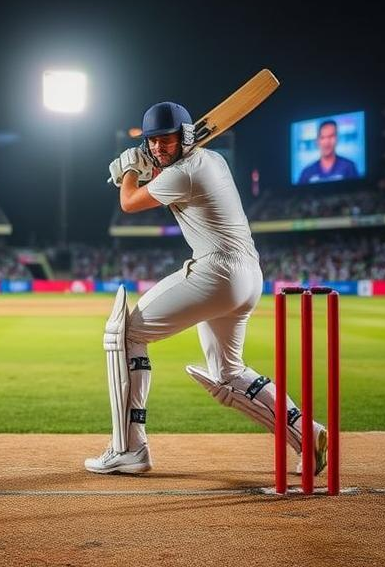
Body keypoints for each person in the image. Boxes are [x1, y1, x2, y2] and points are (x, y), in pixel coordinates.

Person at [85, 101, 327, 475]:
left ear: (184, 137)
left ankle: (130, 448)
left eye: (165, 141)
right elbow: (169, 175)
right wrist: (153, 165)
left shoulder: (183, 174)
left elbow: (129, 202)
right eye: (151, 142)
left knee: (125, 332)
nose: (157, 149)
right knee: (229, 374)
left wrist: (130, 170)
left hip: (217, 272)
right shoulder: (213, 161)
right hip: (248, 276)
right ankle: (306, 436)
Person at [298, 119, 359, 184]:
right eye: (322, 137)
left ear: (337, 139)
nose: (327, 142)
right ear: (317, 141)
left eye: (331, 136)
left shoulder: (349, 167)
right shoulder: (307, 172)